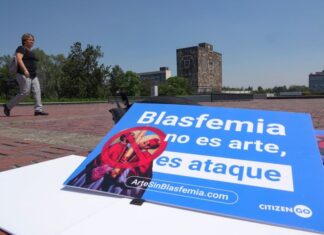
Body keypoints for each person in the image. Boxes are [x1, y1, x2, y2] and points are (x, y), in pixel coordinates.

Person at [3, 33, 48, 117]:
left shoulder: (30, 51)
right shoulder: (21, 48)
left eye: (33, 40)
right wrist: (25, 70)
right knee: (25, 92)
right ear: (24, 41)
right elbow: (19, 59)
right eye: (30, 40)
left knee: (37, 91)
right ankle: (7, 106)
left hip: (33, 75)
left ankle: (38, 110)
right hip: (23, 74)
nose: (32, 41)